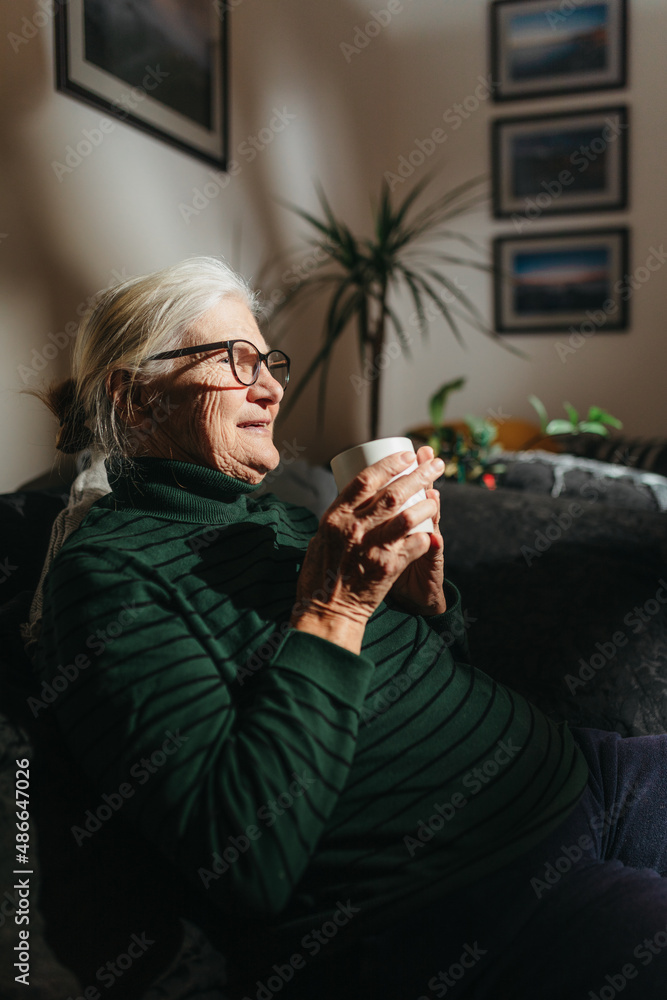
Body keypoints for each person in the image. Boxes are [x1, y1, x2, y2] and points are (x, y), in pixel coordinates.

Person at [32, 257, 667, 1000]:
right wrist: (336, 607)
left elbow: (423, 675)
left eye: (268, 362)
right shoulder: (106, 576)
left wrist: (424, 603)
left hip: (582, 772)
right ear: (136, 397)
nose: (271, 387)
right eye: (234, 360)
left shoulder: (274, 516)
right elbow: (244, 858)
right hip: (472, 892)